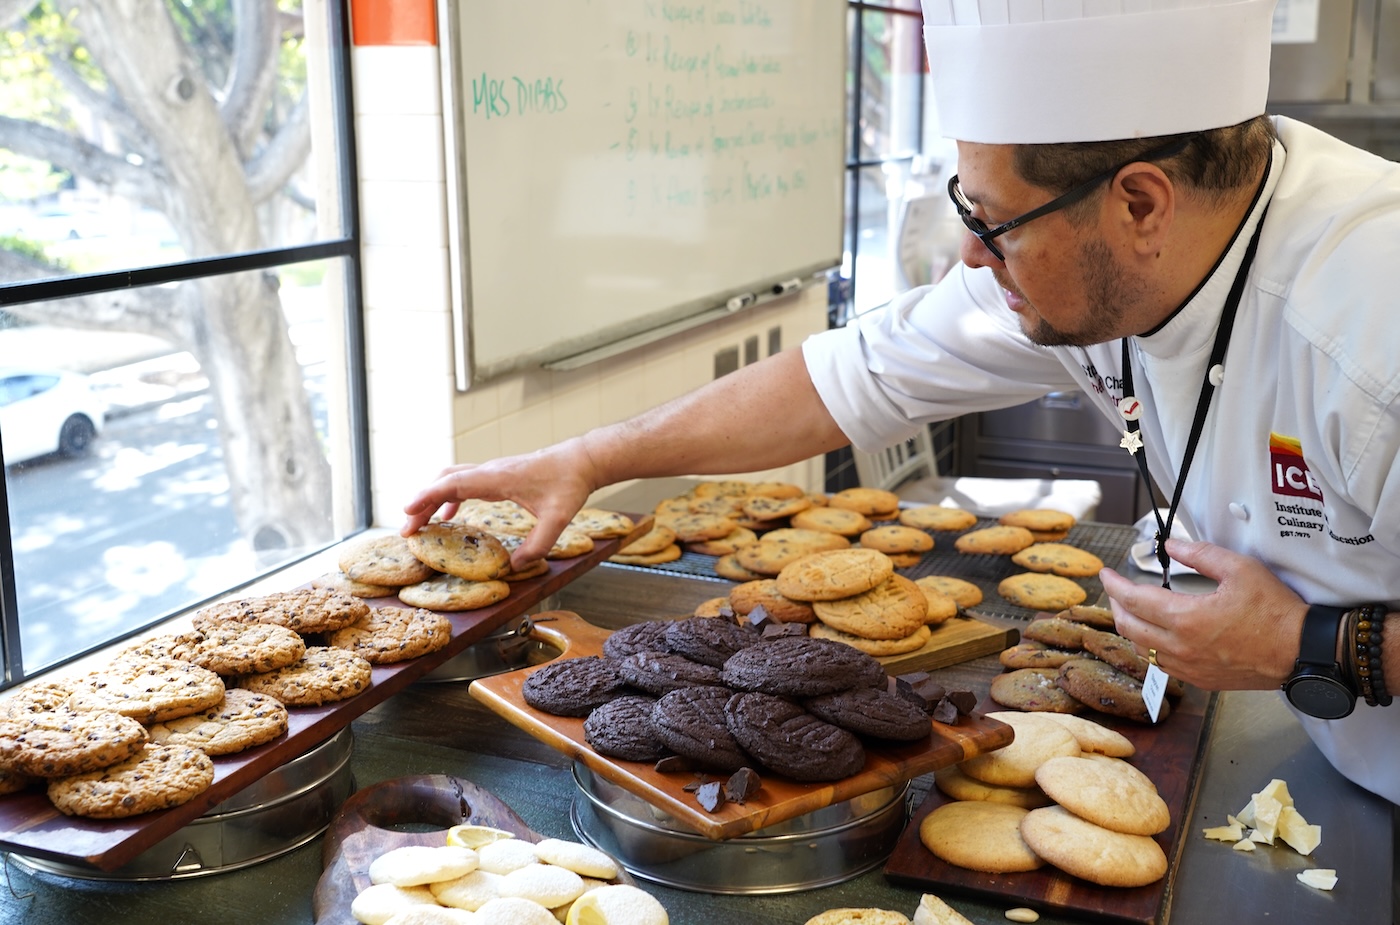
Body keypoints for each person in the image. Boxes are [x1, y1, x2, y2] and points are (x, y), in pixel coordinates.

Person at [404, 0, 1400, 804]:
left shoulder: (1370, 331)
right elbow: (843, 377)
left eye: (993, 220)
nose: (969, 253)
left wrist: (1317, 642)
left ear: (1139, 204)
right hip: (1337, 767)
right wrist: (593, 456)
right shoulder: (1092, 263)